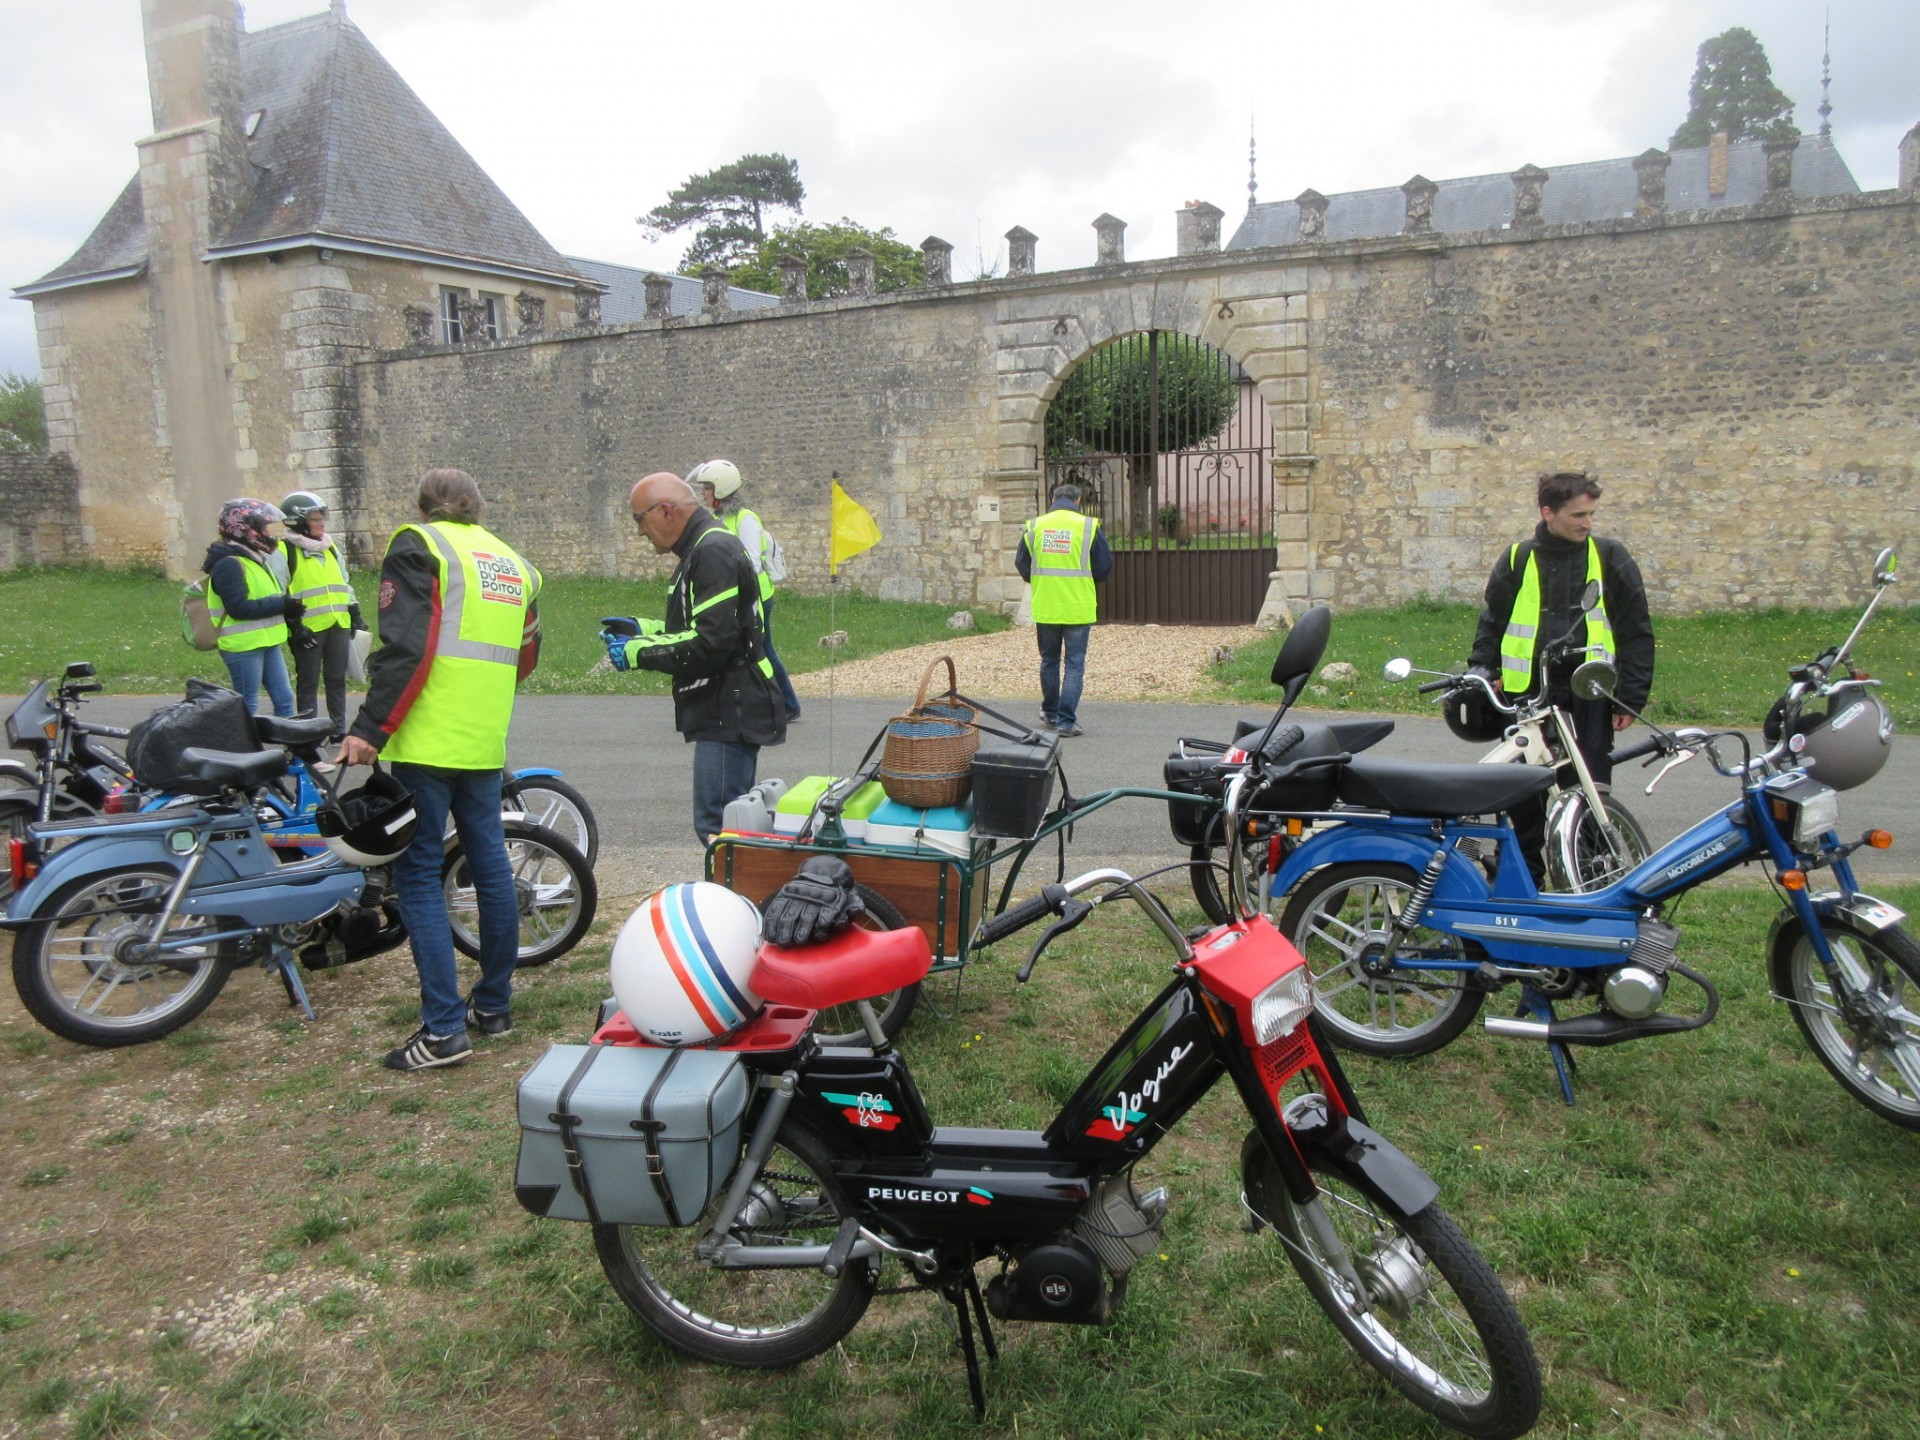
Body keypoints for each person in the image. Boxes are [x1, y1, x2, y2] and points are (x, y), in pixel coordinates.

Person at [337, 468, 542, 1071]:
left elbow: (406, 648)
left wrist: (370, 728)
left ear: (424, 507)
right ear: (476, 508)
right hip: (482, 739)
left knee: (419, 875)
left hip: (426, 739)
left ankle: (444, 1028)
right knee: (489, 868)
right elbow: (524, 656)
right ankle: (494, 1006)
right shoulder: (515, 565)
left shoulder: (419, 546)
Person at [1468, 470, 1655, 883]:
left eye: (1590, 514)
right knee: (1522, 801)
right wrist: (1482, 671)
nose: (1587, 523)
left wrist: (1632, 696)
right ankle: (1521, 888)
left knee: (1589, 795)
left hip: (1587, 699)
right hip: (1525, 701)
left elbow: (1635, 631)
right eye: (1577, 514)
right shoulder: (1517, 558)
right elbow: (1493, 623)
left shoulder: (1609, 557)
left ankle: (1593, 884)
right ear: (1547, 512)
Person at [601, 472, 787, 844]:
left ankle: (731, 903)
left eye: (639, 519)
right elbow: (704, 625)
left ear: (666, 511)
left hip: (729, 707)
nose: (640, 532)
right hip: (728, 705)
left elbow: (711, 642)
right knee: (729, 826)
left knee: (720, 830)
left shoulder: (711, 551)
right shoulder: (703, 547)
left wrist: (637, 653)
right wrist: (642, 630)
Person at [688, 458, 802, 722]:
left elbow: (751, 563)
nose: (703, 493)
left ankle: (788, 704)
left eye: (707, 487)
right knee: (734, 651)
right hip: (732, 597)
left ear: (721, 489)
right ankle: (737, 702)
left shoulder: (746, 519)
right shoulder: (719, 518)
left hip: (755, 597)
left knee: (762, 650)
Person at [1015, 482, 1113, 738]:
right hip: (1077, 606)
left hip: (1047, 605)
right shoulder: (1089, 527)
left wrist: (1040, 581)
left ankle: (1050, 712)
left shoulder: (1035, 526)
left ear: (1052, 499)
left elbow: (1022, 564)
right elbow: (1104, 567)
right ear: (1078, 501)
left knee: (1049, 660)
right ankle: (1066, 722)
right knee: (1074, 665)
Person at [203, 498, 302, 717]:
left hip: (267, 641)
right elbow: (239, 608)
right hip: (243, 646)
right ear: (245, 529)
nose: (268, 532)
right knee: (248, 704)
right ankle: (243, 749)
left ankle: (295, 750)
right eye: (264, 527)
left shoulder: (255, 558)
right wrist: (282, 605)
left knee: (285, 699)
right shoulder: (229, 564)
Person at [279, 490, 365, 742]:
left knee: (336, 679)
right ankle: (309, 734)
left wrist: (354, 611)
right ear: (299, 522)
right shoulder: (285, 552)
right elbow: (278, 591)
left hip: (338, 622)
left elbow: (343, 582)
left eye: (322, 517)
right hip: (308, 628)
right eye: (316, 519)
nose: (322, 523)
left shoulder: (330, 548)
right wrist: (294, 626)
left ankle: (338, 730)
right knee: (308, 682)